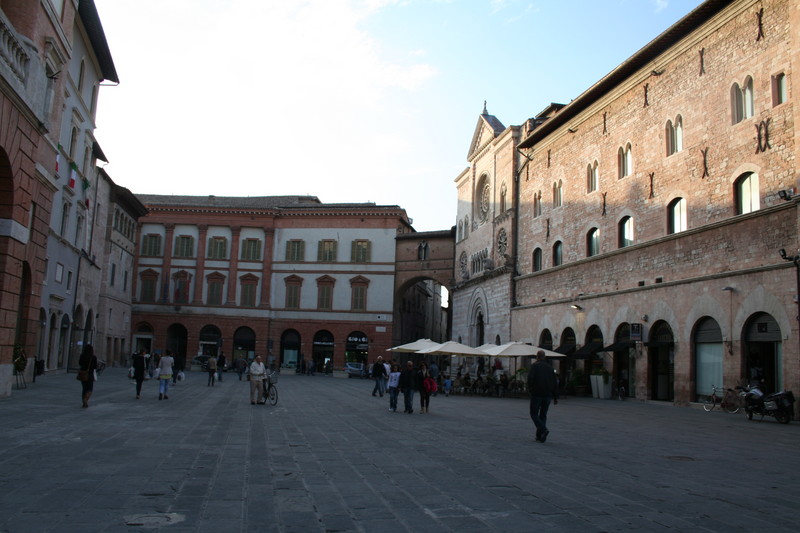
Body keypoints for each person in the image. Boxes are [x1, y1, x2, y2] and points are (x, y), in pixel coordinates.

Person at [528, 350, 558, 443]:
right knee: (543, 414)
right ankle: (540, 436)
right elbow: (554, 382)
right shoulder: (550, 368)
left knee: (534, 413)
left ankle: (543, 429)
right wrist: (555, 396)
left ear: (537, 357)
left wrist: (530, 390)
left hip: (537, 393)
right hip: (548, 394)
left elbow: (530, 379)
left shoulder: (534, 366)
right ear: (544, 357)